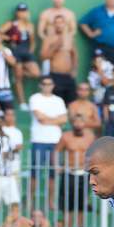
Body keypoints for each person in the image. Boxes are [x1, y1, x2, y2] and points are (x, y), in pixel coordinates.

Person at [29, 76, 67, 209]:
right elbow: (39, 118)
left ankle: (50, 201)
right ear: (40, 85)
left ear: (53, 85)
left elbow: (64, 119)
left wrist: (48, 120)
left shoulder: (58, 100)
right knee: (35, 173)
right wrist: (55, 119)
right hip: (39, 140)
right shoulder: (35, 98)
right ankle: (30, 200)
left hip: (55, 141)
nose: (47, 86)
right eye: (44, 83)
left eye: (49, 83)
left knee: (52, 174)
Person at [55, 114, 96, 226]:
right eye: (76, 122)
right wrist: (57, 166)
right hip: (69, 173)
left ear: (84, 124)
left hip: (84, 174)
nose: (78, 125)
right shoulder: (66, 136)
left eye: (81, 122)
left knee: (81, 206)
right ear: (72, 124)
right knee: (67, 206)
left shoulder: (90, 137)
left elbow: (95, 152)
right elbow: (57, 151)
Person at [1, 3, 41, 110]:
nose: (22, 13)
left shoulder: (30, 25)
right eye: (20, 11)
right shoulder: (11, 24)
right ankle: (22, 102)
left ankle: (18, 74)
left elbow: (33, 41)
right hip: (16, 52)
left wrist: (30, 52)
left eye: (24, 11)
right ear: (17, 13)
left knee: (36, 73)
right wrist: (9, 38)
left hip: (26, 52)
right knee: (19, 78)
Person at [0, 110, 21, 216]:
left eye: (0, 120)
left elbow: (13, 154)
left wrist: (10, 153)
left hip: (8, 174)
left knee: (14, 203)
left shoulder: (7, 136)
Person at [40, 15, 77, 105]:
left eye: (61, 22)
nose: (59, 25)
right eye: (56, 22)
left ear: (65, 24)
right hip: (55, 76)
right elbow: (43, 57)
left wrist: (74, 69)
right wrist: (55, 46)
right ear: (53, 25)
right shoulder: (48, 39)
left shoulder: (70, 38)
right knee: (57, 103)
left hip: (68, 76)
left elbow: (74, 55)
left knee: (71, 103)